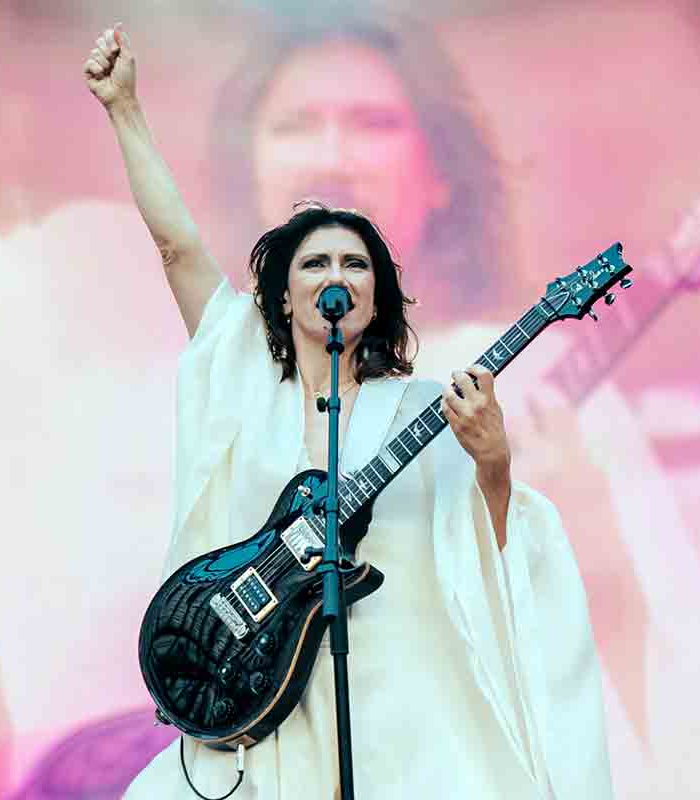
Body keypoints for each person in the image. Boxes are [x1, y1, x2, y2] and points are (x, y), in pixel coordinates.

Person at [85, 24, 612, 799]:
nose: (336, 274)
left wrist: (493, 460)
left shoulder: (425, 410)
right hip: (264, 697)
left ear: (376, 296)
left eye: (355, 263)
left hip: (397, 717)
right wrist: (124, 108)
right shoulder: (241, 373)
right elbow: (177, 248)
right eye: (315, 262)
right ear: (283, 294)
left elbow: (489, 555)